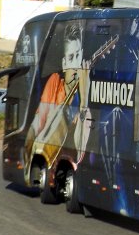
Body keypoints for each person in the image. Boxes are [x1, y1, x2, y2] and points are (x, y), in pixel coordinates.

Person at [25, 21, 92, 170]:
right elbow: (37, 125)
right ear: (63, 63)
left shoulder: (84, 107)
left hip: (62, 164)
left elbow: (79, 152)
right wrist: (27, 154)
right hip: (41, 156)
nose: (74, 65)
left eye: (77, 56)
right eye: (70, 58)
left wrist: (83, 102)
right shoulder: (55, 82)